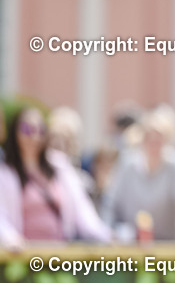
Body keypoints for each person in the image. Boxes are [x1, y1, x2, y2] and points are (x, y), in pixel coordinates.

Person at [0, 106, 109, 249]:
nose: (34, 136)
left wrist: (105, 236)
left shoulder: (59, 166)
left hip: (59, 252)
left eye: (40, 130)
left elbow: (82, 209)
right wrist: (11, 240)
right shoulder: (5, 173)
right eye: (27, 130)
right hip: (23, 254)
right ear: (15, 133)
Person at [102, 109, 175, 243]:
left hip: (168, 246)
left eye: (159, 137)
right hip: (129, 245)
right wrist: (108, 235)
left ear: (169, 139)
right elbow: (110, 204)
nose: (153, 141)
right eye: (148, 136)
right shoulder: (127, 164)